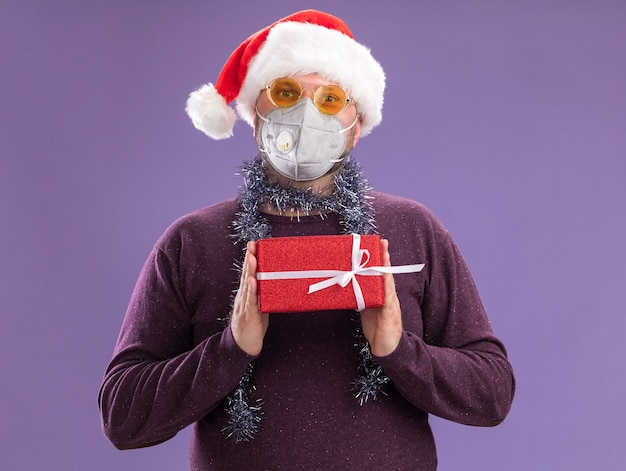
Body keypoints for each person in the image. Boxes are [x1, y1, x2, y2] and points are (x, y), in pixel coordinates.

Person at [98, 9, 515, 470]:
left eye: (331, 98)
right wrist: (229, 348)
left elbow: (492, 392)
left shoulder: (412, 230)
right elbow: (123, 415)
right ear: (255, 116)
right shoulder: (191, 242)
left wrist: (400, 351)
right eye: (286, 93)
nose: (306, 114)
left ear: (356, 127)